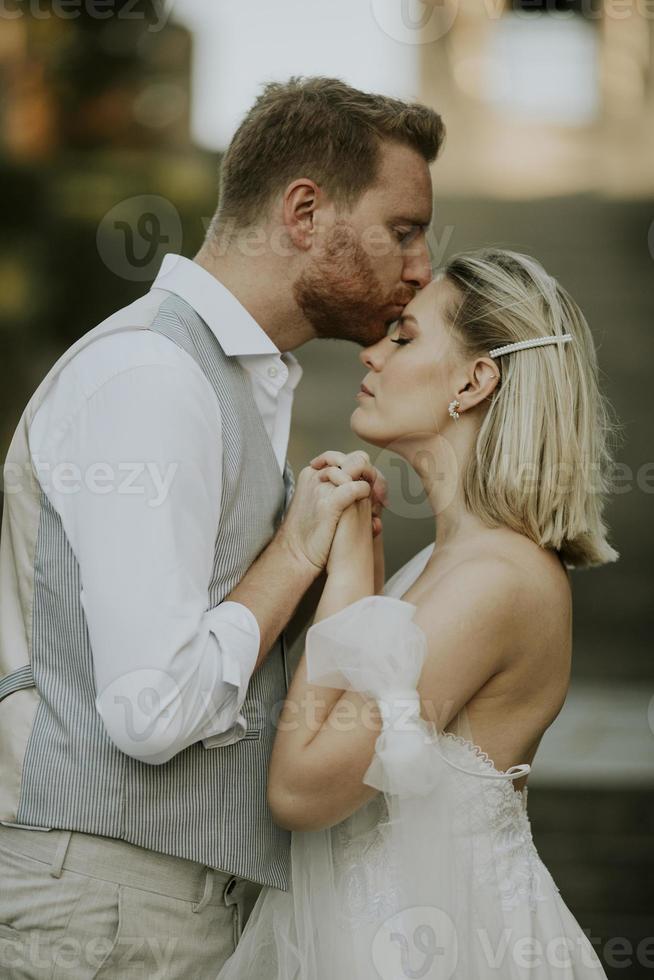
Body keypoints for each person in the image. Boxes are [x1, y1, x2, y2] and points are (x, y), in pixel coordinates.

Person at [0, 77, 444, 978]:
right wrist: (291, 552)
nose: (421, 266)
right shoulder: (153, 378)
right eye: (402, 229)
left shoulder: (226, 379)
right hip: (99, 908)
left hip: (146, 906)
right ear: (305, 211)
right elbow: (151, 708)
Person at [216, 248, 617, 979]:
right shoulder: (442, 567)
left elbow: (300, 788)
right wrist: (358, 573)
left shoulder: (496, 580)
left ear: (475, 380)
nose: (370, 353)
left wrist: (339, 571)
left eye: (403, 336)